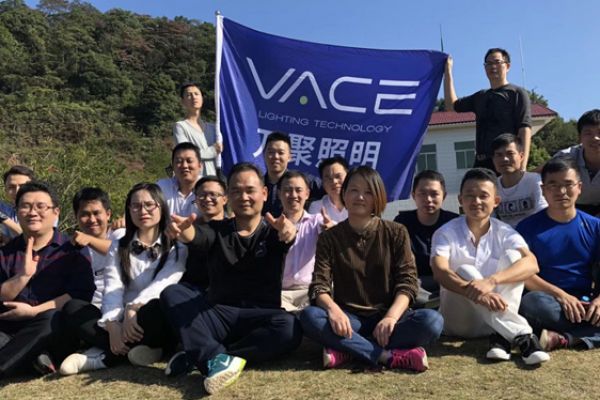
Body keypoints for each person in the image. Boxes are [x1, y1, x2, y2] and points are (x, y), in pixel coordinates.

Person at [160, 162, 302, 395]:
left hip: (260, 318)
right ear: (228, 196)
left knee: (290, 328)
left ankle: (208, 356)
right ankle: (212, 357)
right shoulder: (217, 229)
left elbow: (287, 235)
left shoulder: (273, 231)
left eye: (250, 190)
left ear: (264, 193)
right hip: (218, 315)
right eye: (236, 191)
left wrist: (290, 232)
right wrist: (185, 232)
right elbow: (197, 236)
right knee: (173, 293)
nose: (243, 197)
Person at [299, 166, 443, 372]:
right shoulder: (330, 237)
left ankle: (348, 348)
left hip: (389, 318)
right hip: (349, 319)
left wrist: (391, 317)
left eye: (368, 192)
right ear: (344, 194)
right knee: (310, 317)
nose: (360, 197)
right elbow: (319, 285)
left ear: (378, 197)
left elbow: (408, 283)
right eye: (353, 190)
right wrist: (334, 311)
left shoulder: (396, 232)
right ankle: (385, 355)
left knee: (432, 321)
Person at [58, 183, 186, 375]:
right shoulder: (118, 246)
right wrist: (112, 325)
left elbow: (163, 284)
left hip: (151, 315)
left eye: (149, 205)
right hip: (121, 318)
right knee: (73, 308)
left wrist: (132, 308)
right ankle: (137, 350)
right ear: (128, 210)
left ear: (161, 207)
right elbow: (113, 287)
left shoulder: (177, 247)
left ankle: (106, 356)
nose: (143, 211)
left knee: (157, 307)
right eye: (136, 206)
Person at [431, 168, 549, 365]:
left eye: (483, 196)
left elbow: (531, 263)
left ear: (496, 201)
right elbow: (440, 271)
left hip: (492, 321)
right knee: (465, 271)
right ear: (460, 200)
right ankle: (523, 336)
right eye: (470, 195)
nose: (476, 201)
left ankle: (501, 338)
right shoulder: (446, 232)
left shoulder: (505, 232)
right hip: (459, 321)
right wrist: (477, 292)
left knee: (514, 258)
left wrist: (491, 281)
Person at [0, 181, 94, 378]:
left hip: (51, 329)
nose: (33, 212)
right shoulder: (6, 252)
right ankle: (34, 359)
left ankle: (19, 360)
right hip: (9, 329)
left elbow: (79, 295)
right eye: (25, 206)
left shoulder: (72, 250)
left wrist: (33, 312)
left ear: (56, 212)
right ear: (17, 212)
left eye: (41, 206)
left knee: (52, 318)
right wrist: (22, 276)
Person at [517, 157, 600, 351]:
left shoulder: (595, 226)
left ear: (579, 187)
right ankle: (588, 332)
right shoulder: (527, 228)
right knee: (531, 303)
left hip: (585, 301)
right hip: (549, 301)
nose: (561, 191)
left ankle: (565, 339)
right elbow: (525, 276)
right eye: (553, 185)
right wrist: (560, 295)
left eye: (568, 184)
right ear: (543, 189)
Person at [444, 48, 532, 170]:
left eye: (497, 62)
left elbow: (524, 129)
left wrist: (522, 166)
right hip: (482, 163)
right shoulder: (480, 96)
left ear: (507, 66)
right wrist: (447, 71)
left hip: (506, 162)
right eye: (488, 64)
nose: (493, 67)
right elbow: (451, 105)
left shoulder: (517, 93)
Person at [394, 170, 458, 308]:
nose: (428, 199)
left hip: (448, 282)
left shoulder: (454, 222)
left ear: (444, 196)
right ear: (413, 195)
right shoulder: (402, 222)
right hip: (415, 283)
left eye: (434, 194)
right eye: (422, 194)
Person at [279, 170, 332, 313]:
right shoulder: (272, 224)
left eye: (298, 190)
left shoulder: (317, 221)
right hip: (280, 292)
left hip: (309, 291)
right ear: (279, 194)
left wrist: (332, 231)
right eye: (288, 190)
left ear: (307, 194)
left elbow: (336, 233)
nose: (293, 195)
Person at [261, 131, 322, 217]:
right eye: (271, 152)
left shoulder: (302, 181)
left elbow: (330, 189)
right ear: (264, 154)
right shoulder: (257, 183)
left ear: (289, 157)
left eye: (281, 153)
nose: (276, 156)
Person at [492, 134, 547, 227]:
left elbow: (543, 210)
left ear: (521, 156)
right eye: (499, 155)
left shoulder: (534, 180)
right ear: (493, 159)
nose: (505, 159)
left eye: (510, 153)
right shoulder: (492, 186)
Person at [552, 109, 600, 216]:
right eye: (588, 133)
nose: (595, 138)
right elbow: (538, 176)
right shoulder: (566, 156)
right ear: (580, 137)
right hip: (571, 208)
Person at [157, 142, 203, 217]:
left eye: (189, 161)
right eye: (179, 161)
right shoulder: (161, 187)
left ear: (200, 165)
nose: (184, 166)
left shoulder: (209, 188)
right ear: (173, 166)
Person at [0, 165, 34, 244]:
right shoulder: (6, 209)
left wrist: (3, 218)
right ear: (6, 190)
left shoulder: (45, 209)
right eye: (11, 187)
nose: (17, 191)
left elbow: (33, 240)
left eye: (22, 186)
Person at [308, 156, 348, 223]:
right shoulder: (316, 207)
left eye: (338, 176)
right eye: (328, 178)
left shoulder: (358, 204)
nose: (334, 181)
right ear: (323, 183)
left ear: (348, 177)